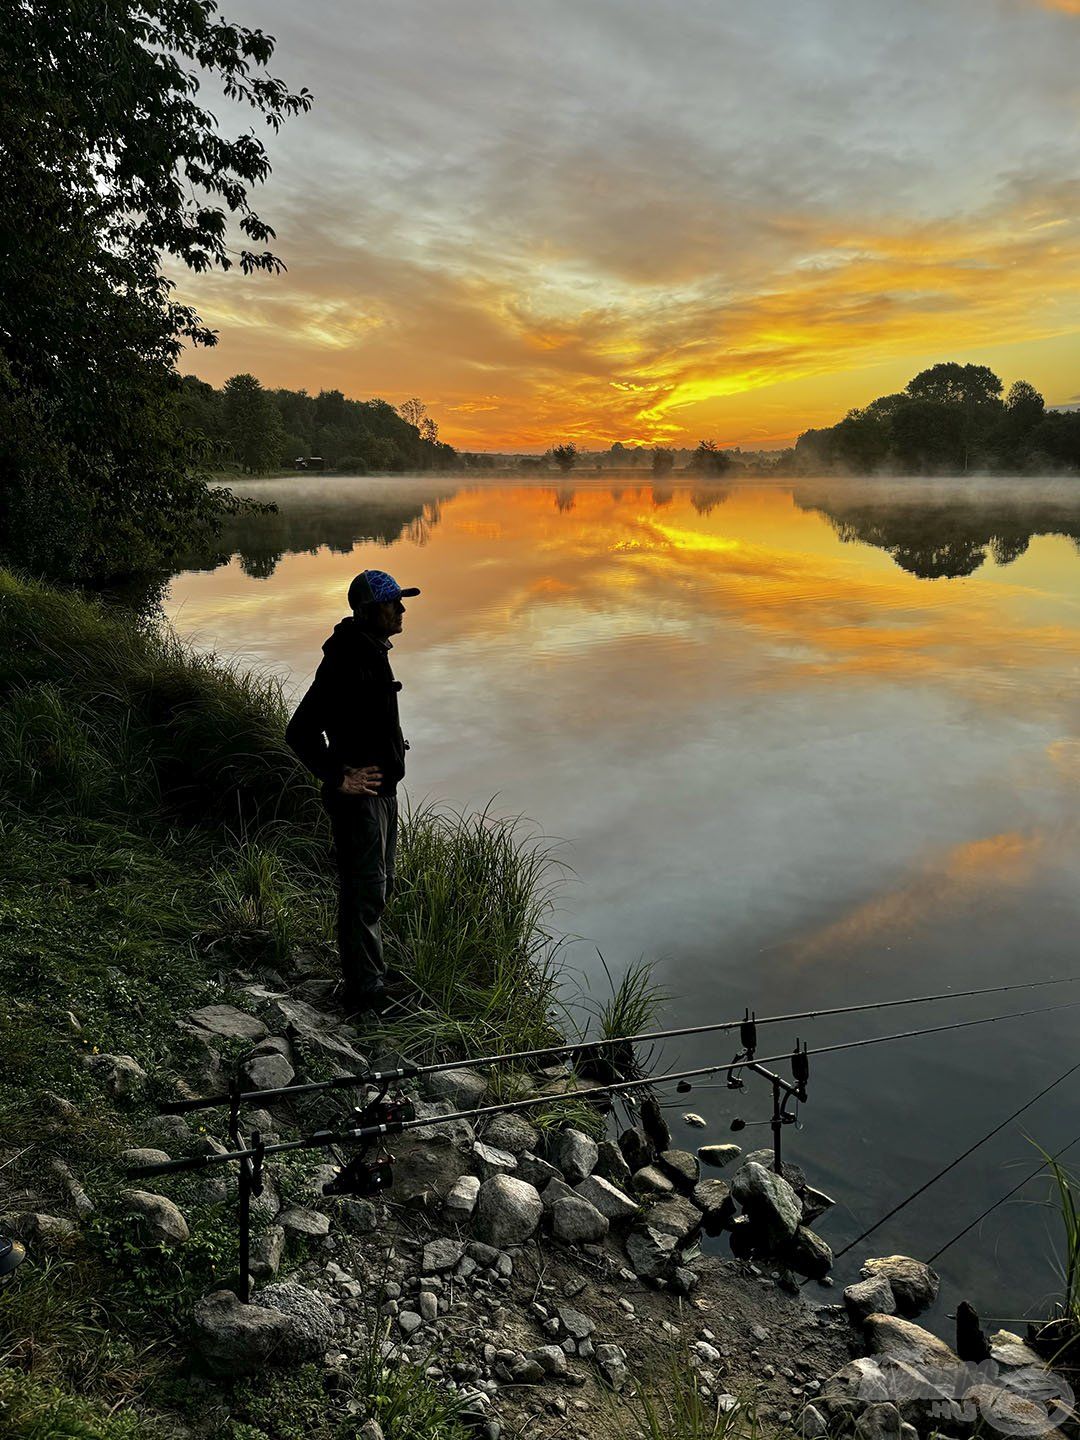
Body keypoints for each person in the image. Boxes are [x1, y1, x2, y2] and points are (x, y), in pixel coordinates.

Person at [285, 569, 420, 1015]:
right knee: (363, 893)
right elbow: (301, 731)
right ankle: (366, 996)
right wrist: (338, 775)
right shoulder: (345, 658)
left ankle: (371, 977)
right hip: (359, 801)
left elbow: (362, 718)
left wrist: (390, 746)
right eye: (392, 603)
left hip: (381, 796)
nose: (401, 609)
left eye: (401, 601)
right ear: (368, 611)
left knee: (379, 888)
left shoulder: (371, 650)